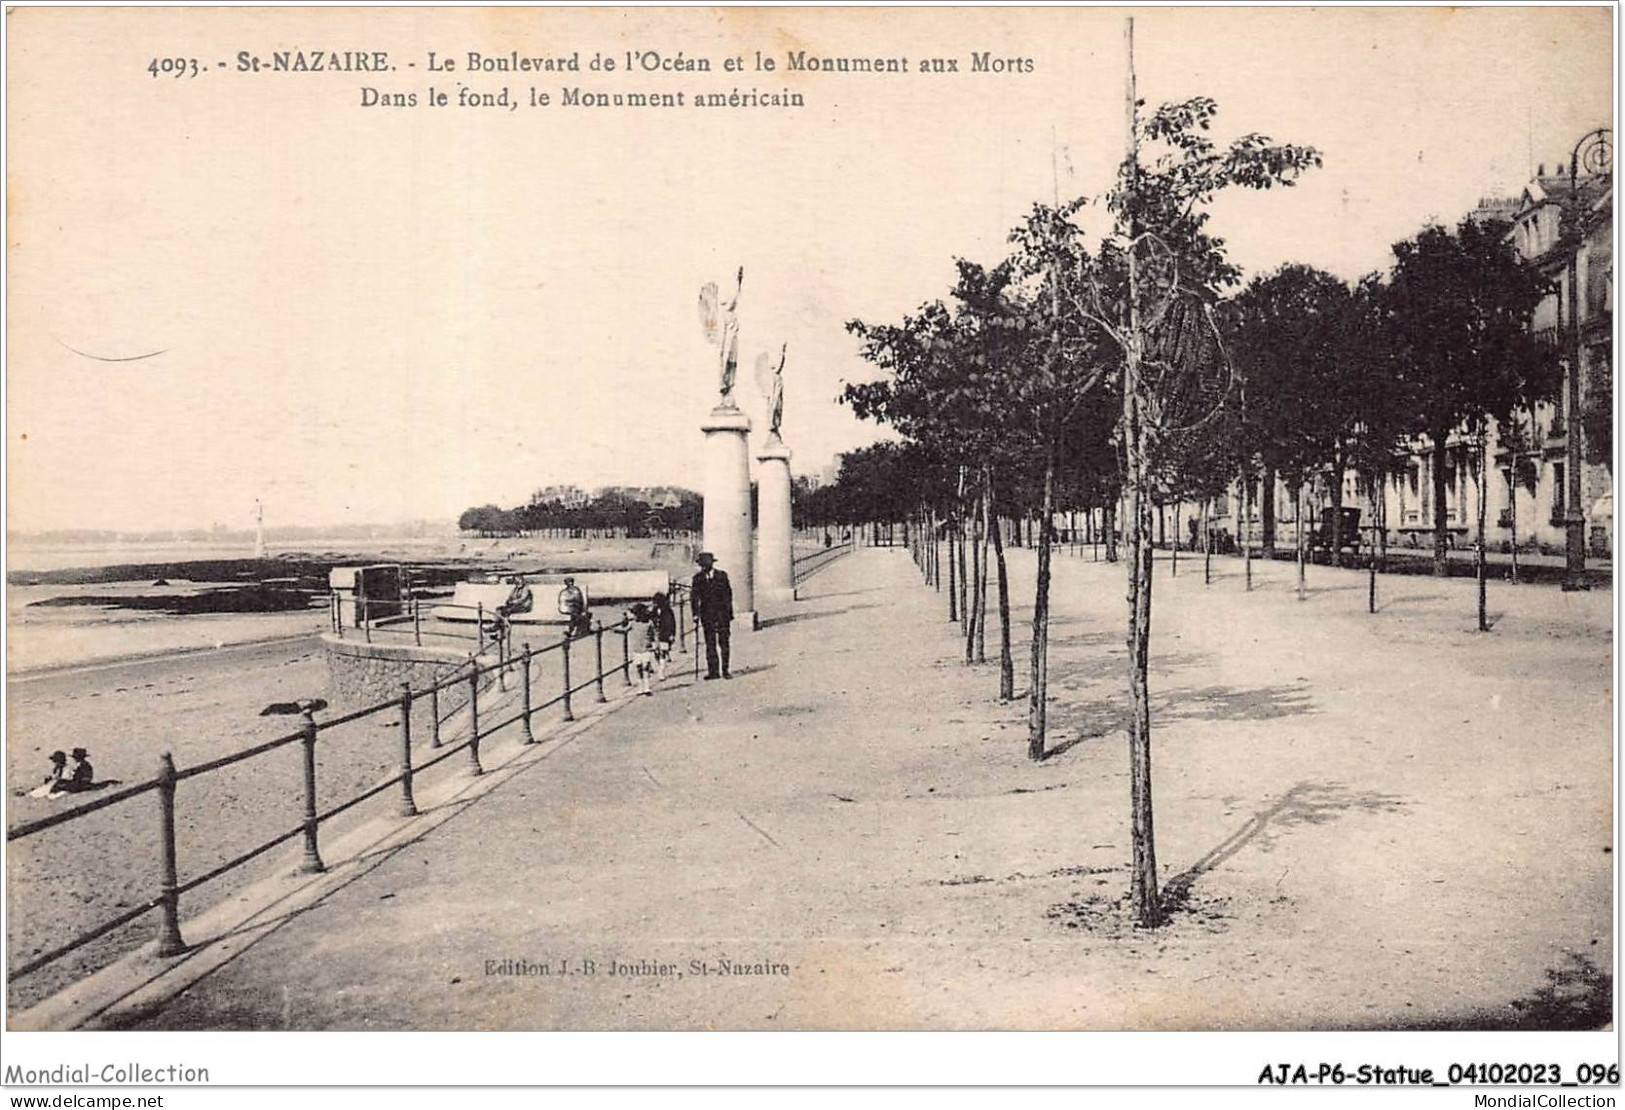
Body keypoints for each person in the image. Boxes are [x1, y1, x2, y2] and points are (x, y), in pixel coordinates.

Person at [690, 551, 734, 680]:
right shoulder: (697, 578)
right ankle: (713, 671)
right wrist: (695, 614)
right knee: (710, 643)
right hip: (706, 614)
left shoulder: (722, 576)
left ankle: (725, 670)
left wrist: (729, 613)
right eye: (702, 565)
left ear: (711, 564)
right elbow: (694, 597)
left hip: (722, 614)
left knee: (724, 642)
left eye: (705, 564)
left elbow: (728, 595)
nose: (703, 567)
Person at [627, 603, 658, 696]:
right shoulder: (633, 623)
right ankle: (641, 688)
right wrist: (613, 629)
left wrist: (656, 645)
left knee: (645, 667)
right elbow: (625, 629)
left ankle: (647, 688)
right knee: (639, 668)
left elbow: (655, 633)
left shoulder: (649, 623)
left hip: (646, 648)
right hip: (637, 649)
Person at [650, 591, 677, 681]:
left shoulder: (667, 611)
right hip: (655, 635)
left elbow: (672, 623)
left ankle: (661, 672)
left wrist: (672, 634)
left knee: (663, 653)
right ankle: (659, 667)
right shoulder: (653, 611)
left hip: (664, 634)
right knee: (656, 653)